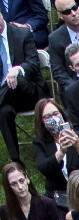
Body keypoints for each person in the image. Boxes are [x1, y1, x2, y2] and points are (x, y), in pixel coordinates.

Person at [31, 98, 79, 201]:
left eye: (55, 113)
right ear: (41, 121)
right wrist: (61, 152)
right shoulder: (39, 143)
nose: (53, 118)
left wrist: (78, 145)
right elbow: (44, 168)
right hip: (58, 197)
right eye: (47, 117)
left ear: (62, 114)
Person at [0, 17, 41, 162]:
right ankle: (16, 161)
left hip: (28, 92)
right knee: (3, 112)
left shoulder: (22, 34)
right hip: (6, 98)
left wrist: (18, 69)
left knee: (16, 80)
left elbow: (34, 63)